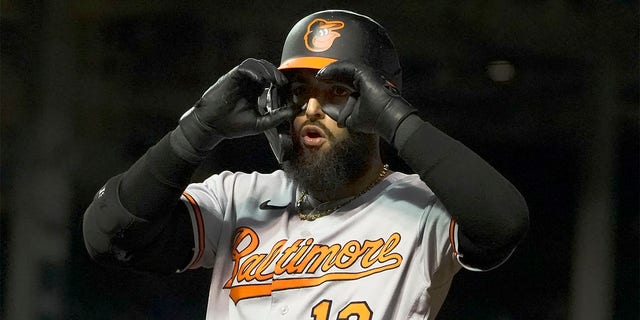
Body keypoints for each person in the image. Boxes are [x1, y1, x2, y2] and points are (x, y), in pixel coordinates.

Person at [83, 9, 529, 320]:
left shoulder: (422, 206)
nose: (311, 108)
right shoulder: (237, 198)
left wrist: (396, 120)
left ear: (378, 97)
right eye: (298, 90)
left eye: (336, 89)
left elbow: (503, 224)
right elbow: (108, 234)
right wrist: (198, 128)